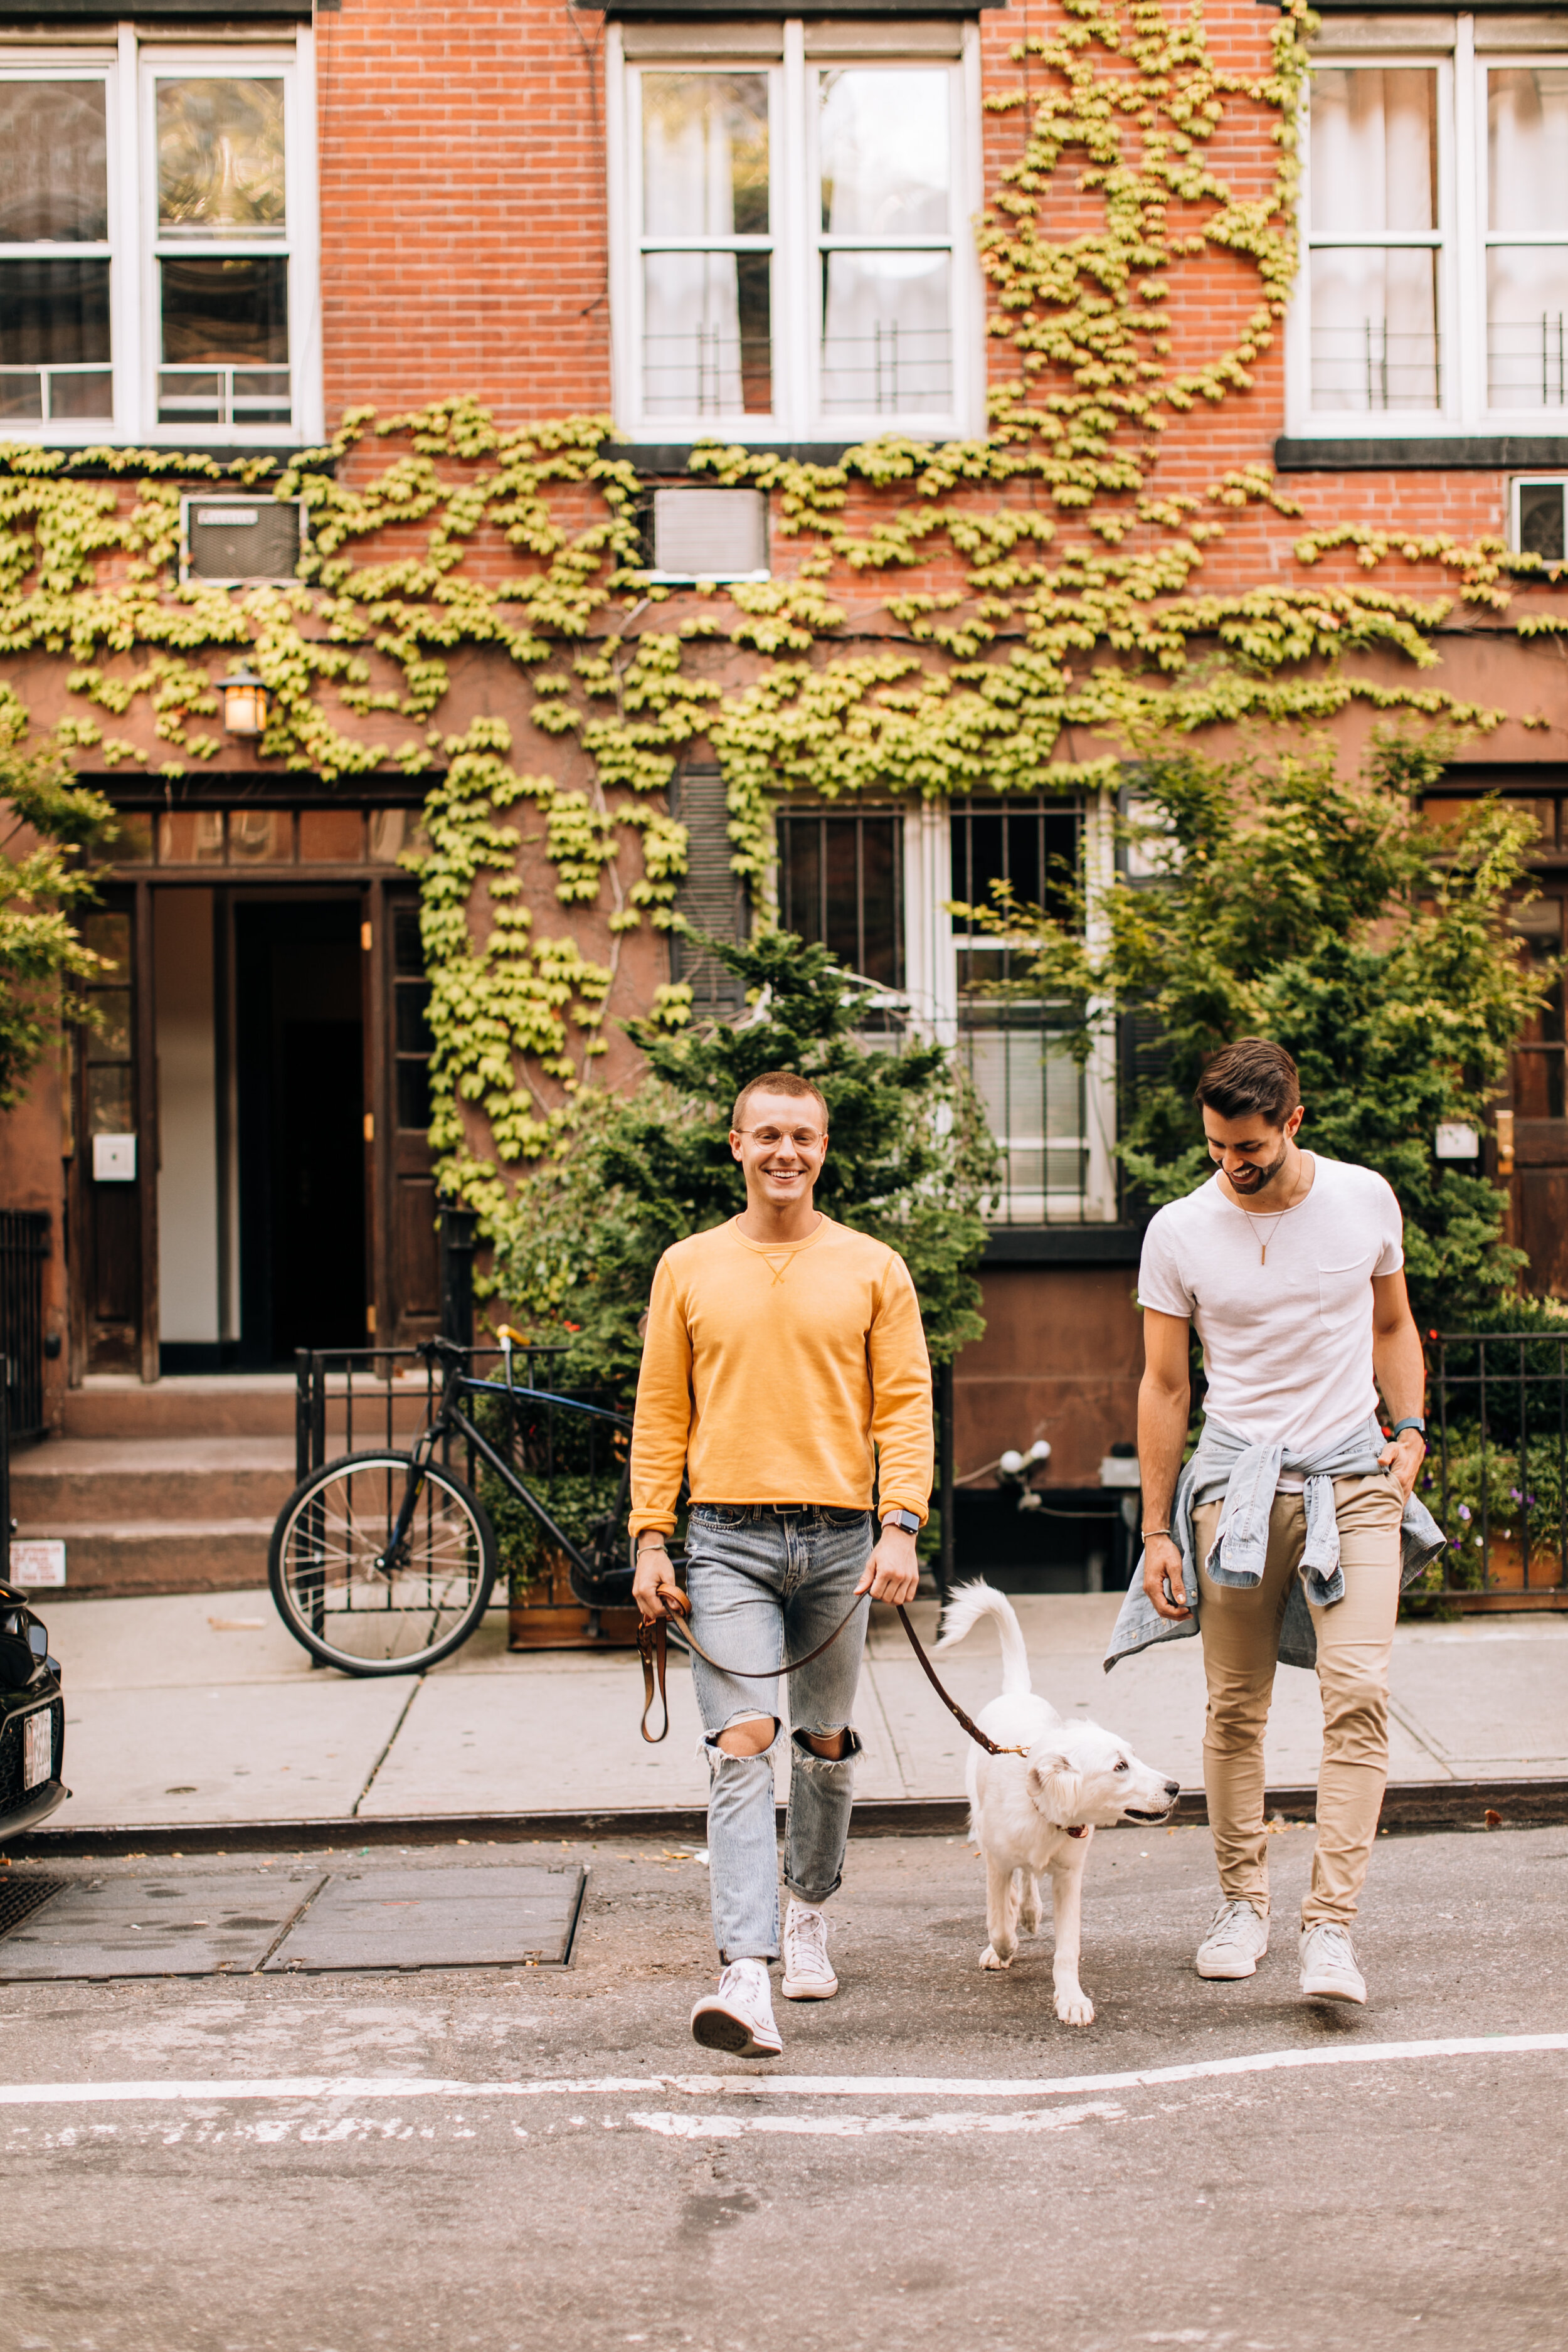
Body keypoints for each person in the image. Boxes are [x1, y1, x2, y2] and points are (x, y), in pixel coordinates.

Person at [1109, 1037, 1442, 2006]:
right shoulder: (1178, 1230)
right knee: (1234, 1706)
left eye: (1248, 1147)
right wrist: (1159, 1529)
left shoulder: (1362, 1198)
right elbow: (1166, 1384)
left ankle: (1330, 1929)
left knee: (1358, 1691)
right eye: (1216, 1147)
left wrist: (1411, 1426)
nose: (1231, 1165)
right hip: (1234, 1489)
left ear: (1294, 1121)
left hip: (1353, 1475)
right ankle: (1242, 1902)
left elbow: (1391, 1324)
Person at [629, 1069, 934, 2058]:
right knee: (744, 1741)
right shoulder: (687, 1265)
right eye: (766, 1135)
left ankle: (808, 1909)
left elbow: (905, 1406)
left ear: (823, 1147)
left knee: (827, 1743)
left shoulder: (875, 1267)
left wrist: (902, 1523)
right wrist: (649, 1535)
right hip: (724, 1541)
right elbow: (661, 1413)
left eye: (801, 1136)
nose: (784, 1152)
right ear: (736, 1144)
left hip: (846, 1540)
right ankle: (745, 1971)